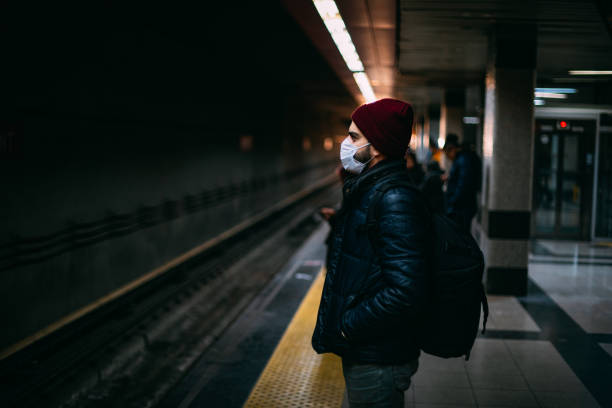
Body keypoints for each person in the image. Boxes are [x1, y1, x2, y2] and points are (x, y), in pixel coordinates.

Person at [312, 98, 428, 408]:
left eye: (353, 136)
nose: (345, 144)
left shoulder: (393, 197)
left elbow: (406, 290)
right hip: (370, 350)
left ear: (375, 145)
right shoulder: (374, 188)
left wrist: (350, 324)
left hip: (378, 356)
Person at [442, 134, 482, 231]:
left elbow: (463, 184)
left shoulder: (463, 160)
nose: (448, 158)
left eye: (447, 155)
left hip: (462, 207)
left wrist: (453, 201)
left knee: (460, 234)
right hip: (462, 206)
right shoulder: (462, 159)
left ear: (452, 149)